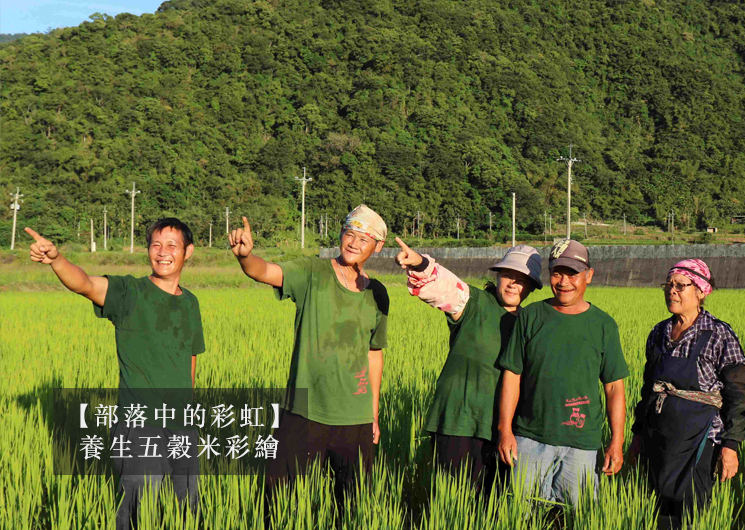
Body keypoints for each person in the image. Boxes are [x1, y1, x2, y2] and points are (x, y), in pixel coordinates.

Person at [26, 219, 205, 530]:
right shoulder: (130, 292)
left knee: (186, 508)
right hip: (140, 426)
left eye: (172, 246)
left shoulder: (191, 303)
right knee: (140, 510)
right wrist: (57, 260)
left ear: (188, 252)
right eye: (155, 245)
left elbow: (189, 359)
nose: (162, 253)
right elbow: (85, 283)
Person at [228, 205, 390, 492]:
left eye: (363, 239)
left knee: (351, 503)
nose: (353, 242)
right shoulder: (312, 272)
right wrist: (246, 257)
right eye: (349, 234)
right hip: (303, 409)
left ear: (378, 247)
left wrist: (373, 415)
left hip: (355, 415)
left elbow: (373, 353)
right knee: (282, 498)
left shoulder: (377, 294)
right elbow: (266, 271)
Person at [395, 239, 542, 488]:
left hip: (505, 429)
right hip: (458, 423)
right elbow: (441, 286)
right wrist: (420, 263)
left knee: (493, 505)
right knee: (454, 501)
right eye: (508, 274)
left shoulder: (531, 323)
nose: (513, 283)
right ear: (498, 276)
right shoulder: (474, 303)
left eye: (522, 279)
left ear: (531, 287)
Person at [496, 239, 629, 504]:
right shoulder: (531, 316)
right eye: (557, 272)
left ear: (588, 276)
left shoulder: (603, 325)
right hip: (530, 438)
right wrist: (505, 430)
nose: (564, 281)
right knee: (521, 514)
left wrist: (617, 441)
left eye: (573, 273)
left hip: (581, 442)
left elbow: (614, 387)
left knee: (578, 515)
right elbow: (512, 375)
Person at [628, 259, 745, 527]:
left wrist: (731, 446)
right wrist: (638, 433)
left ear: (701, 291)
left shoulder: (719, 334)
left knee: (692, 510)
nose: (671, 291)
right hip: (657, 435)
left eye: (680, 286)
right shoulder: (659, 332)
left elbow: (739, 394)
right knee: (656, 508)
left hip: (700, 439)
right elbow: (648, 388)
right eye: (668, 285)